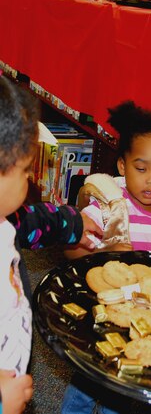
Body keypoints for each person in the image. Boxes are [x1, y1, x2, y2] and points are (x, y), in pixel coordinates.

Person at [61, 100, 151, 414]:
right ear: (122, 166)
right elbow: (71, 248)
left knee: (128, 386)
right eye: (141, 168)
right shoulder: (110, 206)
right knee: (88, 379)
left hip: (145, 320)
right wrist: (105, 249)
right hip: (105, 313)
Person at [0, 74, 102, 414]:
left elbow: (33, 221)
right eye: (26, 170)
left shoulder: (6, 220)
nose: (30, 180)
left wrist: (73, 223)